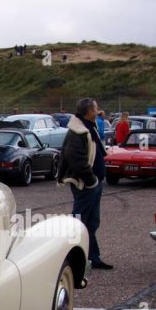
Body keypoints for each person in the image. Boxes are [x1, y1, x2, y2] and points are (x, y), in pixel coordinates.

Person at [57, 97, 112, 270]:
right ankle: (71, 258)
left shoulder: (89, 127)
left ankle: (92, 257)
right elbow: (75, 158)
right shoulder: (77, 131)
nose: (97, 111)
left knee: (92, 222)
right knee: (79, 221)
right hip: (86, 185)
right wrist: (91, 180)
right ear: (88, 111)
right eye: (95, 109)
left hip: (94, 184)